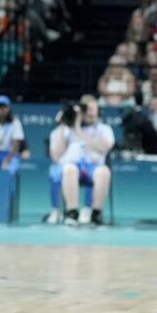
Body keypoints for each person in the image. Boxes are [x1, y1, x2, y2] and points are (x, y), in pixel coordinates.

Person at [49, 95, 115, 226]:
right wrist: (64, 124)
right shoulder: (66, 130)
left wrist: (78, 130)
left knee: (104, 172)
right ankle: (72, 213)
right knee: (69, 169)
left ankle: (96, 214)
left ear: (98, 111)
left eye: (92, 109)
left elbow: (104, 147)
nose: (89, 113)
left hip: (93, 167)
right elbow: (56, 156)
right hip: (72, 168)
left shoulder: (104, 129)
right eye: (86, 109)